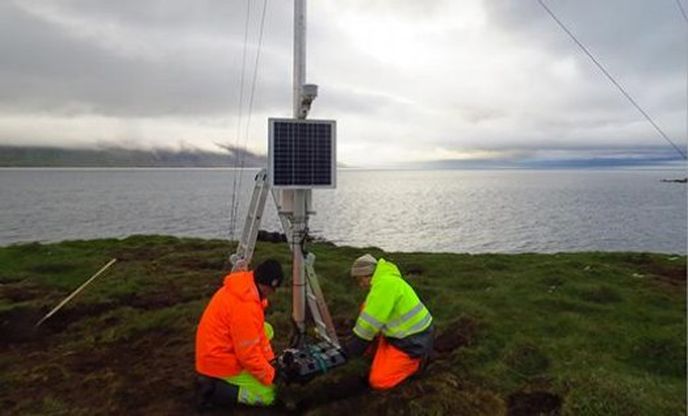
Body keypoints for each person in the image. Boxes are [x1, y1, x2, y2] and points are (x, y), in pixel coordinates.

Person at [195, 259, 284, 408]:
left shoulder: (245, 286)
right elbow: (248, 355)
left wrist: (271, 361)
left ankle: (215, 379)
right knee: (269, 395)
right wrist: (272, 376)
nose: (273, 293)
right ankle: (215, 390)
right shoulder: (245, 308)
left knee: (266, 329)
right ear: (267, 285)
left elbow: (258, 334)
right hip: (219, 361)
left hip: (215, 346)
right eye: (273, 288)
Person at [344, 254, 434, 390]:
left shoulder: (384, 285)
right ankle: (380, 349)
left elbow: (369, 323)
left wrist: (353, 347)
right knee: (366, 306)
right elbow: (371, 315)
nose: (360, 285)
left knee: (379, 380)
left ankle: (416, 363)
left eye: (359, 280)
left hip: (413, 342)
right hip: (403, 333)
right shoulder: (385, 281)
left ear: (367, 275)